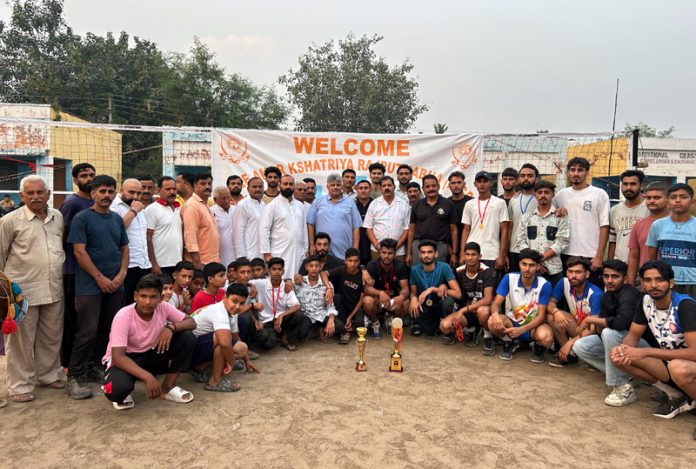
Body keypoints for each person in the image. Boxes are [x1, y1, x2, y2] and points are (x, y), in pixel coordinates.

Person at [0, 175, 65, 403]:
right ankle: (19, 386)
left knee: (51, 336)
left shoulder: (57, 217)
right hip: (21, 292)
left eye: (40, 192)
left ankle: (48, 375)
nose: (36, 196)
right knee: (20, 343)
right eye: (30, 193)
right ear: (22, 196)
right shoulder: (10, 220)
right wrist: (4, 292)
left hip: (54, 288)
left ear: (48, 194)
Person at [66, 174, 129, 400]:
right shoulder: (82, 218)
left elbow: (124, 249)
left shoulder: (116, 219)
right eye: (101, 191)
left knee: (108, 329)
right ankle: (75, 375)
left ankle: (96, 366)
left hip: (115, 285)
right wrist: (99, 277)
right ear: (93, 193)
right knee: (87, 331)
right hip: (89, 286)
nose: (106, 195)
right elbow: (79, 252)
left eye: (110, 191)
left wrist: (121, 274)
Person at [610, 261, 696, 419]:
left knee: (678, 367)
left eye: (659, 280)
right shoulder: (645, 302)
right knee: (619, 356)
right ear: (642, 284)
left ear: (671, 283)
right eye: (648, 280)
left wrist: (644, 352)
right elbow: (633, 335)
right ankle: (676, 396)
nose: (653, 285)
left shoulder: (685, 305)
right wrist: (623, 350)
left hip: (688, 364)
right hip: (671, 361)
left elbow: (694, 353)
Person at [102, 275, 196, 409]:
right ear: (135, 296)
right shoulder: (123, 316)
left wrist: (171, 328)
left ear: (160, 299)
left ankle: (168, 387)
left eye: (153, 297)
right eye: (143, 296)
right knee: (118, 391)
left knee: (187, 337)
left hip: (150, 354)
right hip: (125, 359)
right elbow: (118, 356)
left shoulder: (163, 307)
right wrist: (147, 377)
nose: (147, 302)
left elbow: (191, 322)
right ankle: (120, 382)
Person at [572, 260, 649, 406]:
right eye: (606, 276)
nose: (610, 280)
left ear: (625, 278)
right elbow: (604, 322)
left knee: (610, 333)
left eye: (615, 276)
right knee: (580, 346)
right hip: (626, 345)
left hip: (644, 347)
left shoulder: (629, 294)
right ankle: (629, 374)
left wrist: (590, 319)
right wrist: (595, 321)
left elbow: (620, 323)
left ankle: (621, 386)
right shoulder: (608, 296)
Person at [480, 248, 554, 361]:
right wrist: (495, 315)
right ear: (519, 264)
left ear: (538, 267)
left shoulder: (544, 284)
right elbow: (496, 303)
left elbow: (541, 316)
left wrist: (523, 329)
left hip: (533, 327)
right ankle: (509, 341)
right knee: (492, 321)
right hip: (512, 323)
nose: (527, 269)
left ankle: (537, 346)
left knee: (546, 338)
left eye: (531, 265)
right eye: (524, 264)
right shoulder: (509, 278)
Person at [59, 162, 95, 370]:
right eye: (84, 175)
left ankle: (88, 360)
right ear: (75, 180)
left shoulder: (97, 203)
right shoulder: (71, 204)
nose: (88, 179)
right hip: (73, 269)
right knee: (72, 318)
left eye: (91, 175)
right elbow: (62, 237)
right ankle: (67, 362)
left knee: (88, 320)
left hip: (91, 270)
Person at [190, 283, 259, 393]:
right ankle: (214, 382)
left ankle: (202, 366)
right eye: (234, 301)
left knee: (242, 348)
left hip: (203, 345)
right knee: (223, 342)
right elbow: (224, 343)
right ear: (225, 298)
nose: (237, 306)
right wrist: (230, 362)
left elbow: (235, 336)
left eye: (241, 303)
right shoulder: (219, 311)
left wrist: (247, 360)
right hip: (190, 350)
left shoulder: (232, 312)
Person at [554, 157, 610, 287]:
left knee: (592, 295)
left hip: (590, 255)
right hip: (566, 254)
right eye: (572, 170)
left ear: (587, 172)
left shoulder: (599, 194)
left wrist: (599, 256)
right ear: (568, 173)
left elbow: (604, 226)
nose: (576, 173)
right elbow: (548, 211)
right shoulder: (561, 195)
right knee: (568, 296)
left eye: (580, 170)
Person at [546, 257, 603, 367]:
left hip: (594, 334)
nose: (573, 276)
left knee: (589, 331)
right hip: (579, 327)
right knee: (551, 316)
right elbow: (550, 303)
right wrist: (556, 312)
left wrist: (570, 343)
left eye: (578, 272)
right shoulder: (564, 282)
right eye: (570, 271)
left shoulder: (595, 294)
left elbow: (593, 329)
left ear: (587, 274)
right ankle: (569, 356)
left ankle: (569, 349)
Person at [439, 242, 496, 347]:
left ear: (480, 256)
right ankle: (471, 329)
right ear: (464, 256)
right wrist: (443, 285)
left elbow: (488, 299)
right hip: (467, 311)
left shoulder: (487, 271)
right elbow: (447, 283)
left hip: (483, 311)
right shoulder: (459, 271)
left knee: (482, 311)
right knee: (444, 326)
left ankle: (488, 336)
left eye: (473, 255)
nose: (470, 258)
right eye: (467, 254)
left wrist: (462, 310)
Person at [646, 183, 696, 297]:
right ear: (668, 202)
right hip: (665, 282)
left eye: (683, 197)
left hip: (693, 284)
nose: (678, 200)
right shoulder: (658, 225)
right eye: (673, 197)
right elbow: (651, 259)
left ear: (692, 202)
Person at [516, 180, 569, 285]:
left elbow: (562, 242)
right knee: (530, 301)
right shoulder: (527, 217)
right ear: (535, 195)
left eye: (546, 192)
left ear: (553, 194)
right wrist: (534, 263)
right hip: (531, 270)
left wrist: (538, 260)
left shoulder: (560, 217)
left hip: (553, 270)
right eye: (540, 192)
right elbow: (520, 241)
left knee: (554, 300)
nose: (543, 195)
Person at [249, 257, 309, 351]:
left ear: (283, 271)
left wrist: (281, 316)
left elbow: (297, 306)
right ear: (268, 271)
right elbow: (242, 281)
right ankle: (275, 335)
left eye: (279, 269)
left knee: (299, 315)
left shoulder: (286, 286)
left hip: (281, 319)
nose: (277, 272)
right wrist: (251, 285)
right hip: (266, 321)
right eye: (274, 269)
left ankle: (285, 337)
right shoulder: (261, 283)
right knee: (268, 344)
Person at [408, 240, 461, 337]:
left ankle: (443, 327)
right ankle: (436, 327)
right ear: (419, 255)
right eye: (423, 252)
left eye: (430, 252)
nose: (426, 255)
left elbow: (458, 294)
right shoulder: (415, 269)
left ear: (436, 254)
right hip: (426, 305)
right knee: (411, 304)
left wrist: (434, 289)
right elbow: (413, 292)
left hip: (440, 304)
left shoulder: (444, 267)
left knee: (449, 302)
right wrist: (414, 298)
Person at [112, 178, 151, 306]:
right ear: (121, 190)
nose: (135, 196)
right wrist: (133, 211)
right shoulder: (114, 207)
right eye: (131, 192)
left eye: (138, 193)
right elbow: (116, 230)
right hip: (126, 266)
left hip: (143, 264)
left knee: (140, 305)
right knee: (124, 305)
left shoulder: (140, 208)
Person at [259, 174, 308, 276]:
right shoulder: (272, 206)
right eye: (285, 184)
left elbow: (304, 230)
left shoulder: (300, 206)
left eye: (291, 184)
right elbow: (264, 229)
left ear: (294, 186)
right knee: (281, 280)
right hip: (279, 250)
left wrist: (306, 249)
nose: (288, 186)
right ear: (279, 185)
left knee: (298, 278)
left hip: (299, 251)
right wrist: (267, 253)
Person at [460, 171, 509, 271]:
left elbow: (504, 230)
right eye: (479, 181)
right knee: (470, 285)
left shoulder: (500, 203)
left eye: (485, 181)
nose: (482, 184)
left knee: (490, 285)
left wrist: (502, 255)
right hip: (471, 253)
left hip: (492, 253)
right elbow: (466, 229)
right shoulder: (469, 204)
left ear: (491, 183)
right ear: (475, 184)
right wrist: (462, 254)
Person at [307, 173, 362, 259]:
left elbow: (356, 227)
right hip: (322, 251)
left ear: (342, 186)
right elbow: (310, 224)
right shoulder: (318, 202)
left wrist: (355, 249)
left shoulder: (350, 202)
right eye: (332, 185)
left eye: (338, 185)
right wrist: (311, 245)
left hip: (344, 251)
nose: (335, 187)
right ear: (327, 186)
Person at [407, 175, 458, 267]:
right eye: (427, 186)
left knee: (438, 276)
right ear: (423, 189)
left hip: (440, 246)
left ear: (438, 186)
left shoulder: (448, 204)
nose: (431, 189)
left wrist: (454, 253)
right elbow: (411, 230)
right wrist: (409, 253)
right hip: (418, 246)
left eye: (433, 186)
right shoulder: (417, 205)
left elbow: (454, 230)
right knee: (418, 275)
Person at [363, 238, 411, 331]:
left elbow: (405, 289)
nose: (386, 256)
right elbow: (367, 289)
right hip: (378, 300)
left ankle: (392, 320)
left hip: (393, 301)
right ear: (379, 252)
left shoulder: (400, 266)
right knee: (367, 301)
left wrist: (401, 297)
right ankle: (375, 321)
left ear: (395, 254)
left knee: (407, 302)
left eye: (390, 253)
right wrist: (380, 293)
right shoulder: (373, 265)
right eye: (384, 252)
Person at [627, 181, 670, 286]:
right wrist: (631, 284)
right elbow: (633, 256)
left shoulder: (677, 223)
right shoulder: (638, 225)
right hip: (646, 280)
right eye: (648, 198)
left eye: (656, 198)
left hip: (671, 280)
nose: (652, 201)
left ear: (667, 199)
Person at [295, 255, 344, 343]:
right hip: (307, 316)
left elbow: (330, 306)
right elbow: (287, 284)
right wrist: (289, 281)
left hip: (321, 314)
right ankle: (313, 329)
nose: (314, 269)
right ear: (306, 267)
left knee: (339, 327)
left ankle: (320, 328)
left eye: (316, 266)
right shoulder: (299, 282)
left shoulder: (327, 285)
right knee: (300, 335)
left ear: (320, 267)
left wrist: (331, 320)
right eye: (311, 266)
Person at [322, 248, 367, 341]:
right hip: (342, 306)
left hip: (356, 307)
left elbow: (361, 300)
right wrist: (329, 288)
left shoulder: (362, 276)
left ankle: (348, 326)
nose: (353, 264)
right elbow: (323, 273)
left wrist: (350, 317)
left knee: (360, 324)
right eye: (350, 260)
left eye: (356, 261)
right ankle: (345, 330)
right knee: (337, 297)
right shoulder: (341, 269)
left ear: (359, 262)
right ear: (345, 261)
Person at [363, 176, 410, 262]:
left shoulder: (403, 204)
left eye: (389, 185)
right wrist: (377, 245)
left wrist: (395, 247)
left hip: (398, 251)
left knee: (398, 274)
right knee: (377, 274)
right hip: (377, 250)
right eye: (384, 186)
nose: (387, 188)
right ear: (380, 188)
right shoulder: (374, 204)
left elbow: (406, 229)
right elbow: (368, 228)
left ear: (394, 187)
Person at [144, 176, 183, 277]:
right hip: (161, 265)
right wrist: (154, 264)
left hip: (178, 264)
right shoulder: (151, 209)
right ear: (158, 190)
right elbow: (148, 238)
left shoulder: (179, 209)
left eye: (174, 189)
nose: (172, 192)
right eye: (167, 189)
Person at [608, 170, 648, 262]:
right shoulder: (614, 210)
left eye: (633, 184)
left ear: (641, 186)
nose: (628, 188)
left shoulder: (649, 208)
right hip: (620, 265)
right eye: (625, 184)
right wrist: (610, 264)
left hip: (643, 265)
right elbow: (613, 241)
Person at [182, 173, 220, 269]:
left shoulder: (204, 204)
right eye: (203, 184)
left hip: (211, 261)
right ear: (195, 185)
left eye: (209, 184)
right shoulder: (192, 206)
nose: (207, 186)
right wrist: (196, 262)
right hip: (200, 262)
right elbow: (190, 236)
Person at [508, 164, 539, 269]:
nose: (526, 178)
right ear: (518, 179)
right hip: (514, 250)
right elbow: (510, 226)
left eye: (530, 176)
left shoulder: (542, 199)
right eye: (523, 176)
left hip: (535, 250)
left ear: (536, 179)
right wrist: (505, 252)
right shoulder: (514, 199)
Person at [232, 177, 265, 261]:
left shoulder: (263, 204)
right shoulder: (243, 205)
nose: (257, 189)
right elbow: (237, 232)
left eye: (260, 186)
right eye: (254, 186)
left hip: (262, 253)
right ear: (248, 189)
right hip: (248, 254)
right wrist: (241, 257)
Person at [211, 186, 236, 267]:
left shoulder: (236, 209)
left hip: (237, 252)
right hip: (220, 254)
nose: (226, 201)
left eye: (228, 197)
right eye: (223, 198)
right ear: (215, 199)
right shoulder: (210, 212)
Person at [448, 171, 473, 251]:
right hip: (450, 248)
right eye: (453, 183)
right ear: (449, 185)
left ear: (464, 184)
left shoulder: (472, 202)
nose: (456, 185)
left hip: (469, 247)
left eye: (459, 182)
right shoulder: (445, 203)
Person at [355, 179, 373, 266]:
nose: (363, 190)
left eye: (366, 188)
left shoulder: (376, 205)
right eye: (360, 188)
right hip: (356, 245)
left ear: (371, 189)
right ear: (356, 190)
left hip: (373, 246)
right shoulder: (352, 206)